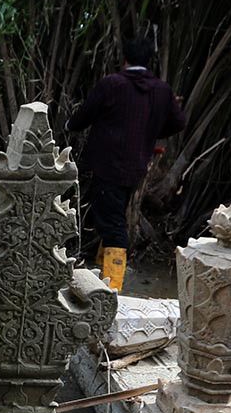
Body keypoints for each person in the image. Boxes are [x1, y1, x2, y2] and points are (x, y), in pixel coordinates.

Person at [65, 36, 187, 293]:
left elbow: (84, 114)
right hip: (135, 167)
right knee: (112, 214)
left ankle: (112, 291)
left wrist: (69, 126)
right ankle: (103, 277)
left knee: (112, 225)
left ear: (125, 59)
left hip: (107, 163)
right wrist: (150, 131)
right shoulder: (161, 90)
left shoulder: (113, 84)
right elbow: (178, 123)